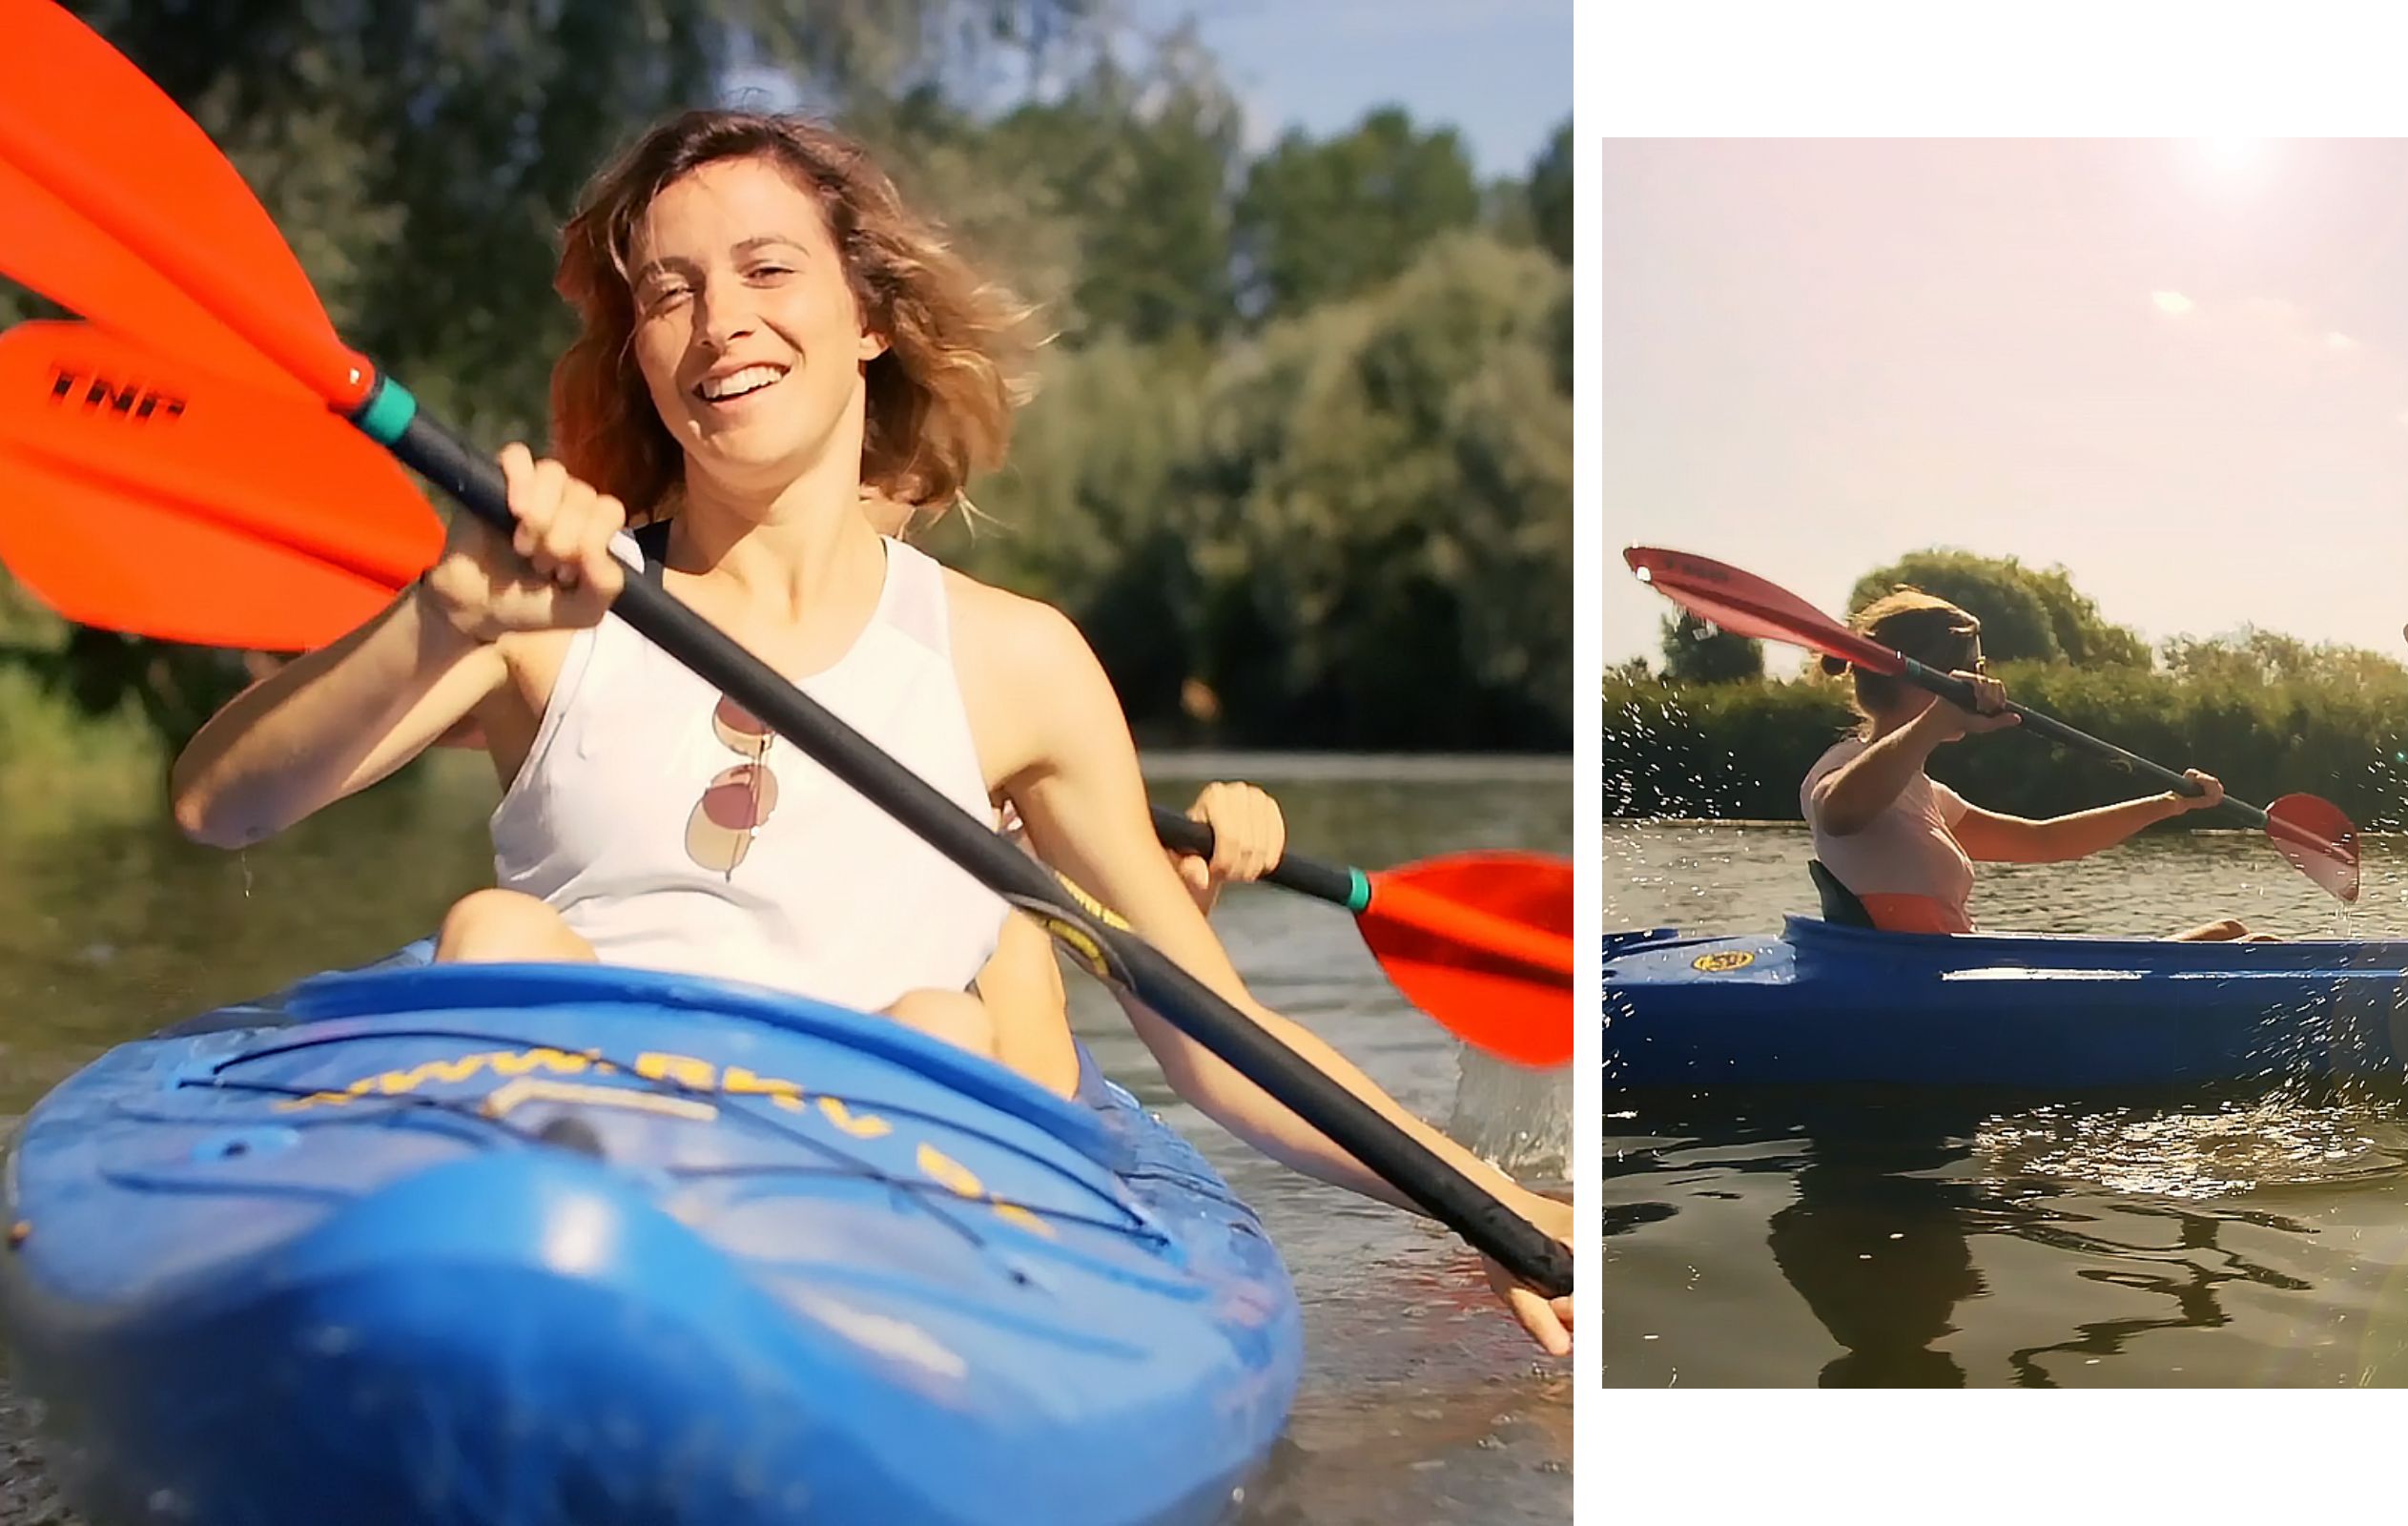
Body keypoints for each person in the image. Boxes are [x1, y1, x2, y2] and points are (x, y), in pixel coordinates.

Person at [166, 109, 1569, 1353]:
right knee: (496, 932)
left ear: (870, 316)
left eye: (769, 270)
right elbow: (218, 807)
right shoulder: (543, 608)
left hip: (883, 1222)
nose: (721, 324)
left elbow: (1217, 1037)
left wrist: (1497, 1211)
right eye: (670, 292)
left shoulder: (1015, 662)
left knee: (941, 1020)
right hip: (578, 1185)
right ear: (642, 351)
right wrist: (445, 612)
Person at [1801, 587, 2259, 938]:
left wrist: (2170, 803)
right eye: (1972, 671)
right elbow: (1840, 814)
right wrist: (1939, 717)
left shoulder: (1926, 793)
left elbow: (2044, 842)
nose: (1984, 682)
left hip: (1961, 975)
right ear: (1938, 676)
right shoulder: (1844, 766)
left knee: (2231, 934)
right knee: (2256, 944)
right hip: (1926, 989)